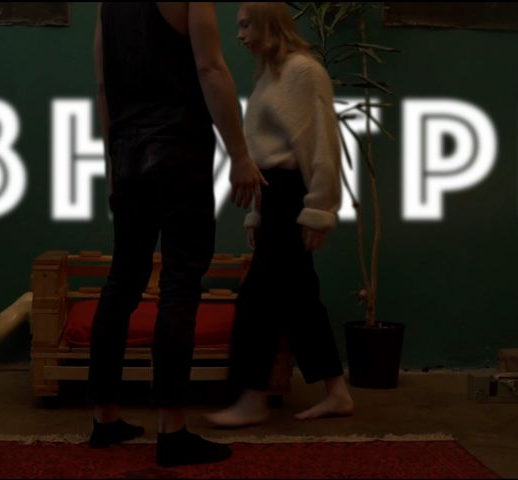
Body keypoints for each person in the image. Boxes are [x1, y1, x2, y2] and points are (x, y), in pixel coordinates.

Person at [88, 2, 266, 467]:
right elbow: (210, 67)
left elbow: (104, 86)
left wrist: (114, 161)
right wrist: (239, 154)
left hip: (127, 152)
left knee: (122, 282)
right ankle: (171, 429)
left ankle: (105, 418)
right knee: (180, 285)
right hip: (179, 151)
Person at [205, 2, 355, 429]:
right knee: (300, 298)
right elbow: (263, 154)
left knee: (258, 300)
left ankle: (253, 398)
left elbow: (322, 145)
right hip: (274, 198)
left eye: (246, 25)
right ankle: (337, 392)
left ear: (268, 23)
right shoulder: (269, 76)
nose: (239, 35)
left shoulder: (304, 72)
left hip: (292, 198)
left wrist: (318, 210)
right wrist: (257, 214)